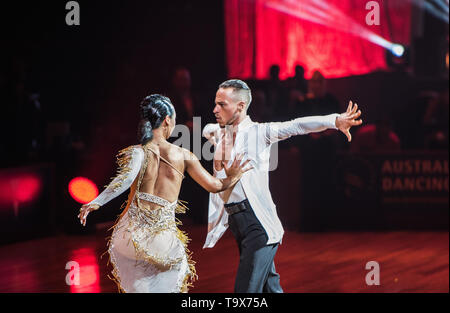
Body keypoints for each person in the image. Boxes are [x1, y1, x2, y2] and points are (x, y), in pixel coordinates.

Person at [77, 94, 252, 293]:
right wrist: (234, 176)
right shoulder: (184, 156)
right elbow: (214, 185)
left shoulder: (138, 152)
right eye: (175, 119)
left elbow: (123, 181)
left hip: (129, 240)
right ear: (167, 120)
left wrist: (96, 202)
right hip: (162, 245)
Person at [202, 79, 362, 293]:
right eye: (215, 103)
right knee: (271, 290)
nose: (215, 109)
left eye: (222, 104)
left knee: (245, 293)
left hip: (257, 225)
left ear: (240, 106)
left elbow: (297, 125)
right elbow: (207, 130)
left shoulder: (260, 133)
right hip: (238, 224)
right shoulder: (218, 132)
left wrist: (334, 120)